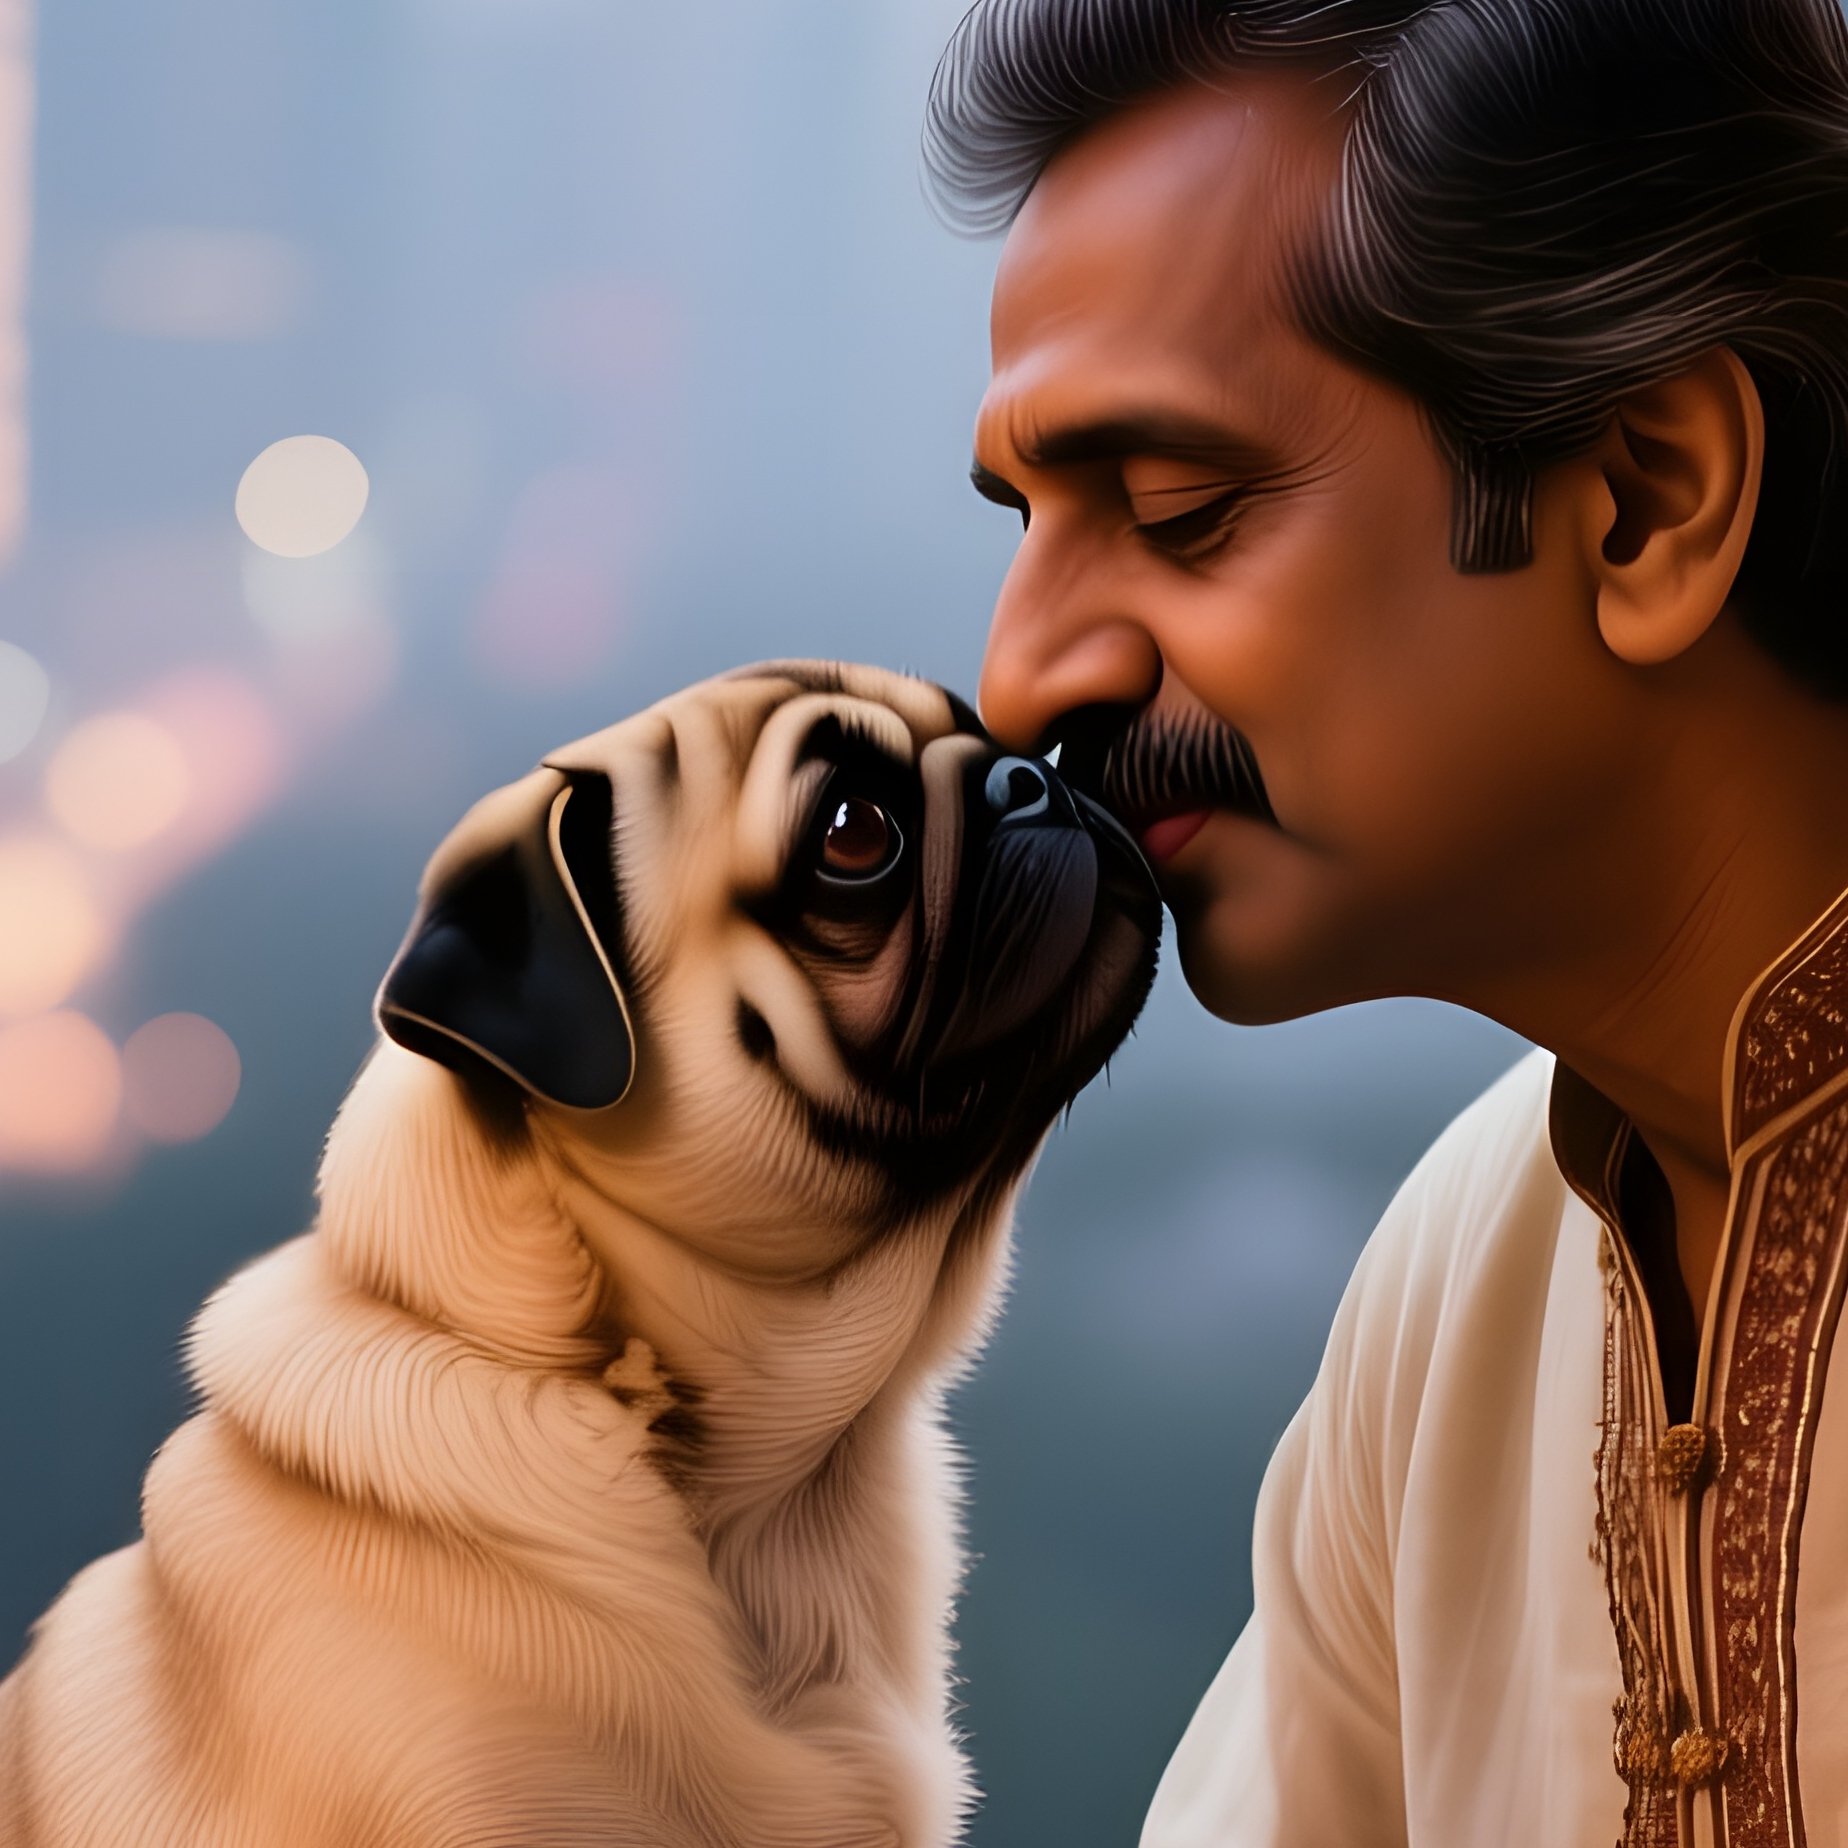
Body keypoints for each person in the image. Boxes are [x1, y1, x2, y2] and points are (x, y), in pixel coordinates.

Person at [923, 2, 1848, 1843]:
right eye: (1025, 524)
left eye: (1180, 510)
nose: (1020, 681)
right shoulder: (1466, 1273)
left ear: (1649, 498)